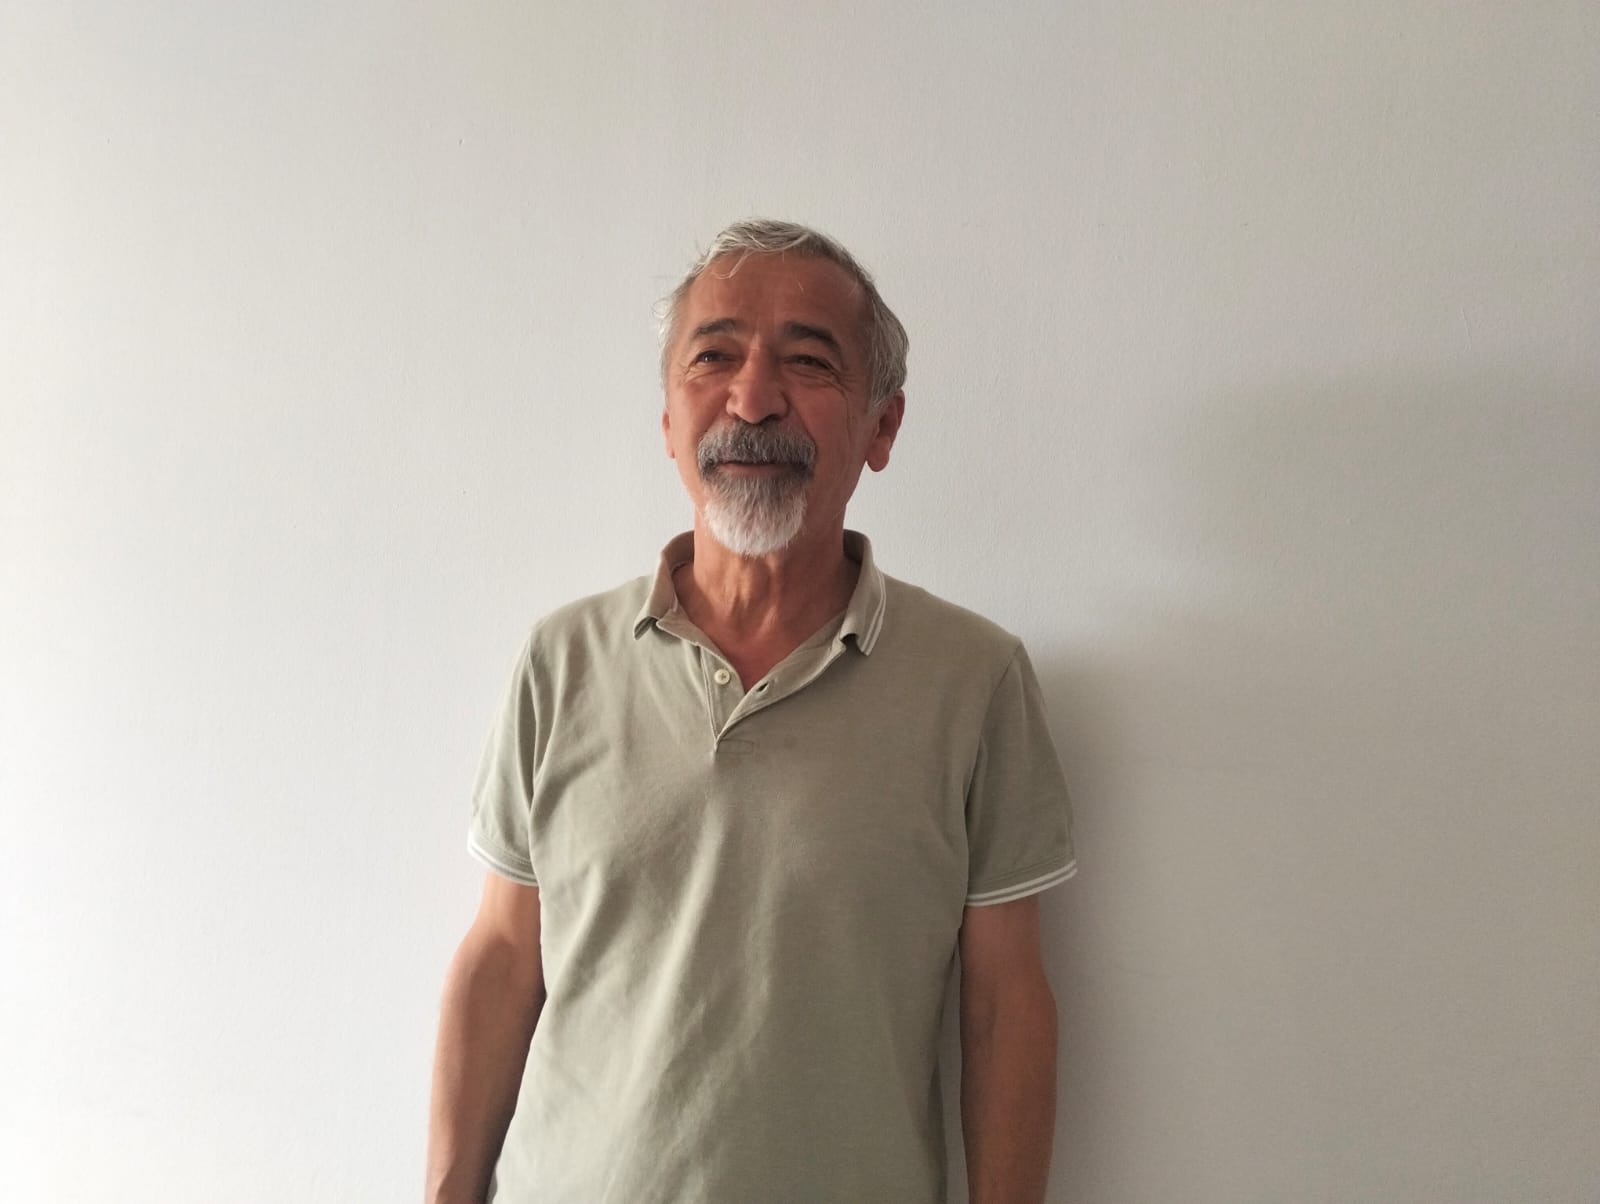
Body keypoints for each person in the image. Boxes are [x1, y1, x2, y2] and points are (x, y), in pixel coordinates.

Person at [426, 219, 1076, 1204]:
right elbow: (504, 960)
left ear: (882, 427)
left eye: (808, 362)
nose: (753, 397)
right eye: (714, 356)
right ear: (668, 422)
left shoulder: (974, 681)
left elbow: (1004, 1005)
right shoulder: (562, 661)